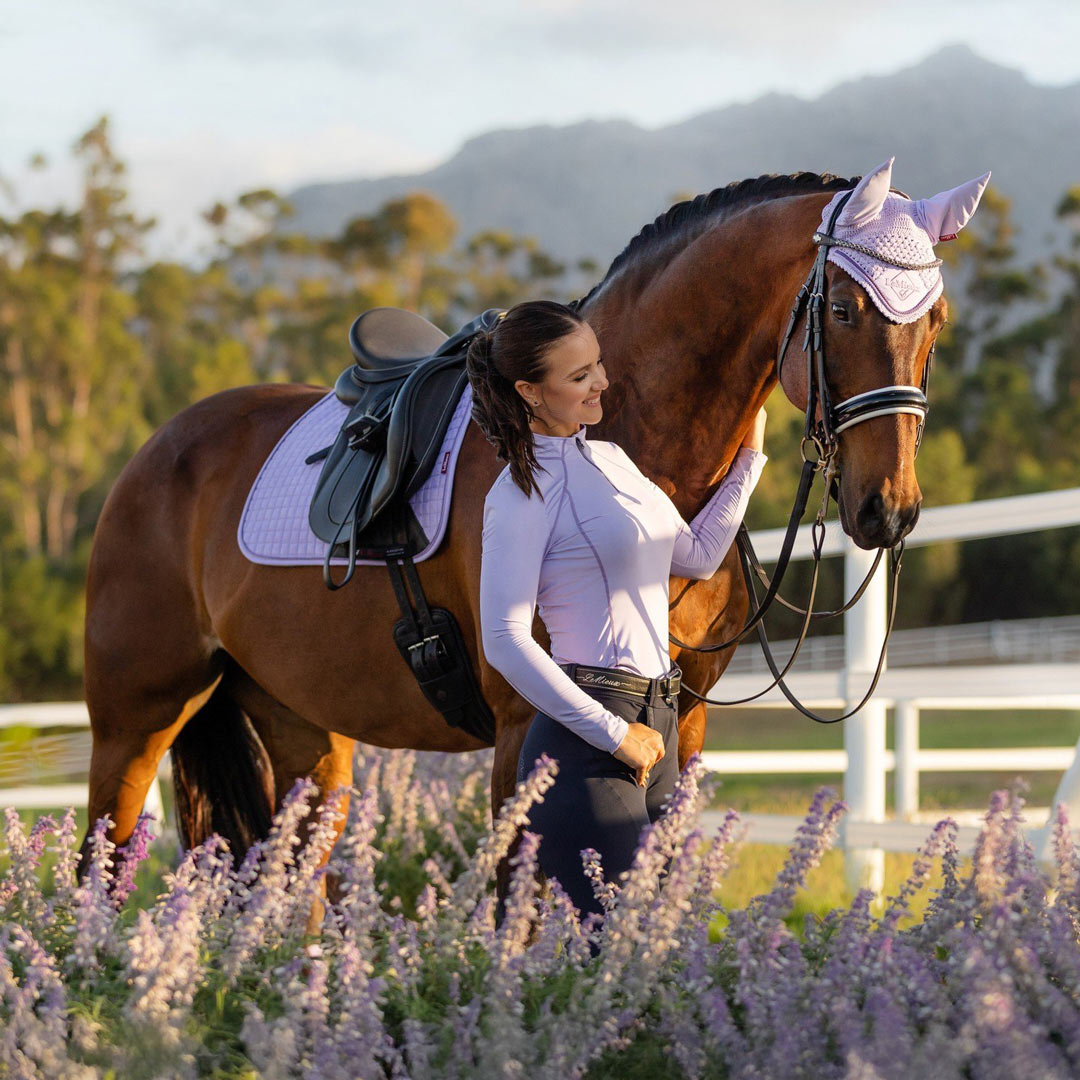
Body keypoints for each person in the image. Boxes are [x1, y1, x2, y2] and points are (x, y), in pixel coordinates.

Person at [467, 299, 767, 934]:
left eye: (597, 365)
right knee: (628, 949)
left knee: (661, 947)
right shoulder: (518, 496)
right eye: (578, 377)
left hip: (657, 719)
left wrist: (747, 465)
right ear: (529, 391)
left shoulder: (611, 460)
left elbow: (696, 553)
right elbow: (503, 639)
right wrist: (614, 734)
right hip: (590, 739)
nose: (601, 382)